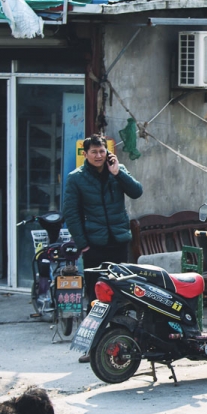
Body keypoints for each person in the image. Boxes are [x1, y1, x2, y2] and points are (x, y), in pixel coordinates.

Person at [63, 134, 143, 363]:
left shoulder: (117, 170)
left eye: (102, 151)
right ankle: (93, 346)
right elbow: (71, 213)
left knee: (122, 294)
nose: (99, 156)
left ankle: (121, 342)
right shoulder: (76, 178)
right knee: (95, 297)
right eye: (94, 152)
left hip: (118, 242)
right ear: (86, 154)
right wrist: (83, 245)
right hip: (94, 245)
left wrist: (119, 173)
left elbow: (137, 192)